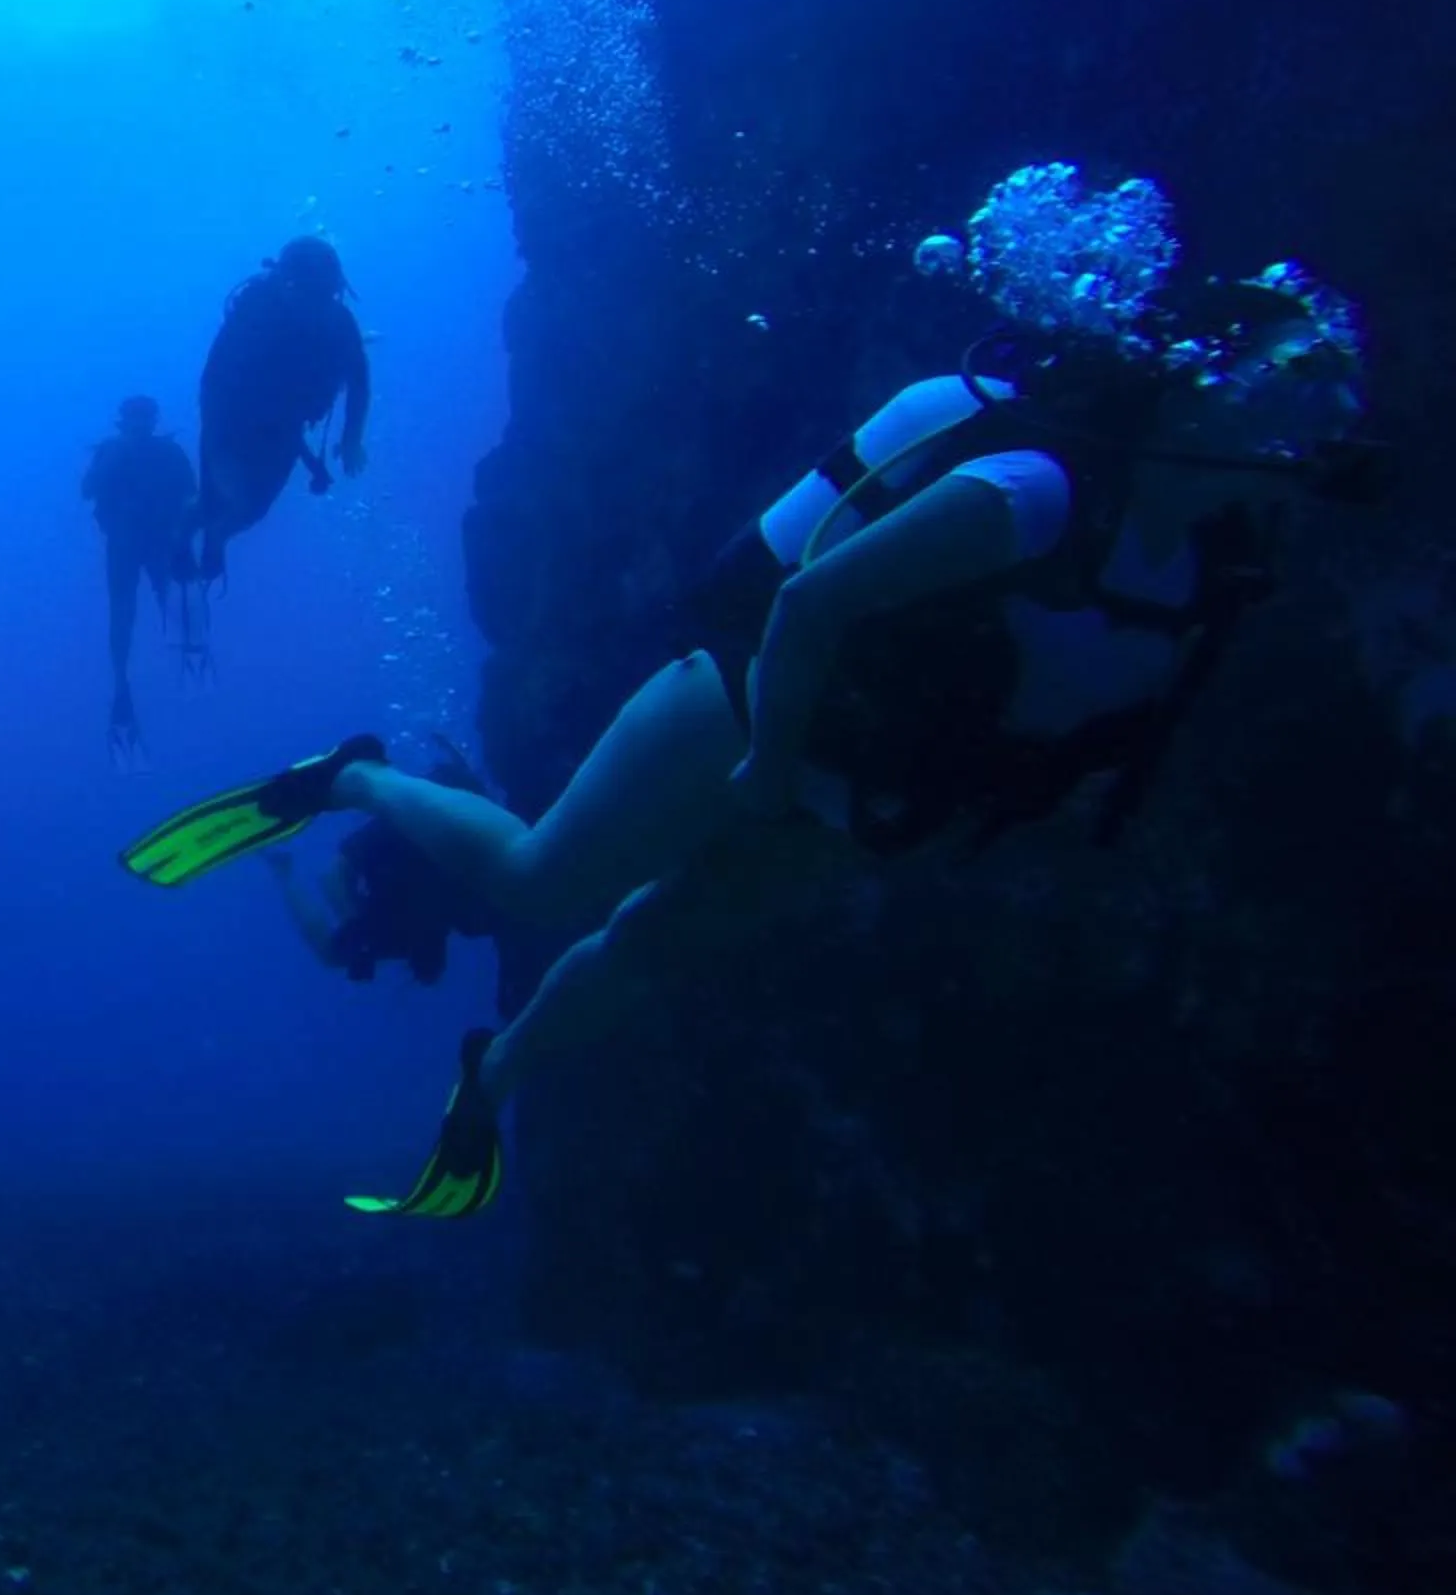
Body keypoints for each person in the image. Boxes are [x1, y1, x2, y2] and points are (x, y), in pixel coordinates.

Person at [125, 199, 1377, 1221]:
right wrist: (772, 765)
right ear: (1201, 388)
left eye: (1324, 403)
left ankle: (488, 1081)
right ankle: (349, 776)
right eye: (1291, 389)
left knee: (655, 947)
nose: (1314, 430)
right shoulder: (1035, 492)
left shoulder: (1211, 570)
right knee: (543, 879)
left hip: (864, 775)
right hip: (750, 702)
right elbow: (815, 604)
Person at [192, 235, 372, 584]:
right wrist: (214, 438)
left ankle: (207, 532)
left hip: (284, 428)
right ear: (287, 280)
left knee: (253, 509)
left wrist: (352, 438)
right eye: (305, 284)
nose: (313, 296)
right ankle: (198, 533)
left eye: (322, 287)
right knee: (230, 498)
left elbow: (359, 382)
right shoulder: (257, 313)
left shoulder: (339, 322)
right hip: (232, 423)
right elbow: (215, 380)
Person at [260, 736, 493, 984]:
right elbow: (332, 879)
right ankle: (283, 871)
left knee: (332, 954)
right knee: (332, 953)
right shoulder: (398, 828)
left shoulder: (470, 846)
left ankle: (283, 873)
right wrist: (359, 932)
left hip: (412, 914)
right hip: (390, 909)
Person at [82, 395, 200, 761]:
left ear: (152, 420)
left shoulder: (167, 452)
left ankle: (189, 660)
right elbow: (87, 490)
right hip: (128, 544)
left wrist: (185, 541)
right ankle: (122, 687)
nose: (140, 424)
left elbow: (191, 496)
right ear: (125, 421)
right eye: (135, 418)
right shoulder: (114, 451)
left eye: (144, 418)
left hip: (154, 543)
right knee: (125, 616)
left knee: (169, 604)